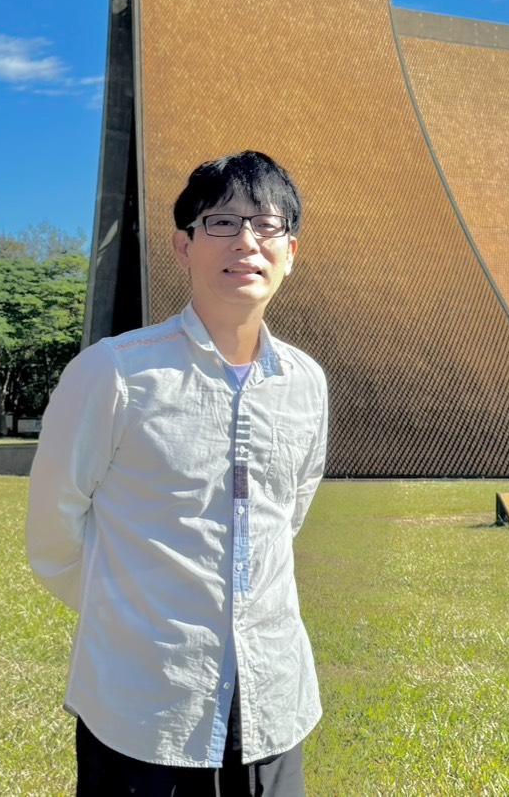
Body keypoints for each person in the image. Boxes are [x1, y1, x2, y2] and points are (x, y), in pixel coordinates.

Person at [26, 150, 328, 796]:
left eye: (266, 225)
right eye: (220, 222)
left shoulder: (307, 383)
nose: (245, 241)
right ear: (182, 246)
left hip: (273, 699)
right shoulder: (114, 374)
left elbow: (285, 515)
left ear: (291, 250)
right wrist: (136, 614)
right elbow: (53, 527)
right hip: (144, 704)